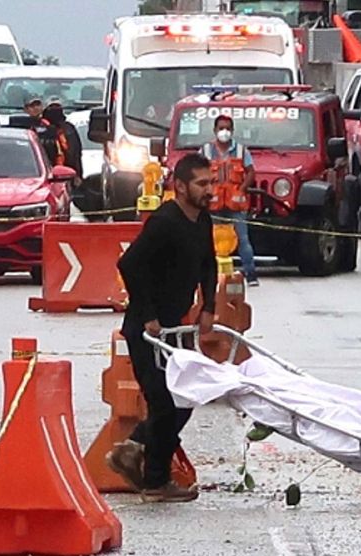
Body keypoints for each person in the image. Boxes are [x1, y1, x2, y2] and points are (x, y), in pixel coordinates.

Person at [104, 154, 218, 503]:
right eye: (202, 184)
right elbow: (130, 264)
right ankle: (155, 480)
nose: (209, 190)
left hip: (174, 327)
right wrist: (149, 313)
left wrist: (208, 306)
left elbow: (208, 264)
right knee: (166, 402)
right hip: (146, 327)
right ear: (180, 187)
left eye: (211, 182)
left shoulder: (202, 221)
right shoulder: (165, 222)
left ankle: (136, 449)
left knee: (183, 399)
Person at [201, 114, 258, 286]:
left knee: (242, 239)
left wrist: (241, 189)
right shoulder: (205, 151)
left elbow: (251, 172)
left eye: (227, 128)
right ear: (215, 130)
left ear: (232, 131)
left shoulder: (241, 151)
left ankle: (251, 275)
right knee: (208, 240)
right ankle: (208, 276)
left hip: (235, 203)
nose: (224, 132)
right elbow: (197, 172)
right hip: (213, 203)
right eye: (221, 128)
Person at [39, 101, 82, 179]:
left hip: (66, 172)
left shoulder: (68, 129)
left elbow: (75, 153)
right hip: (48, 173)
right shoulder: (40, 131)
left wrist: (77, 175)